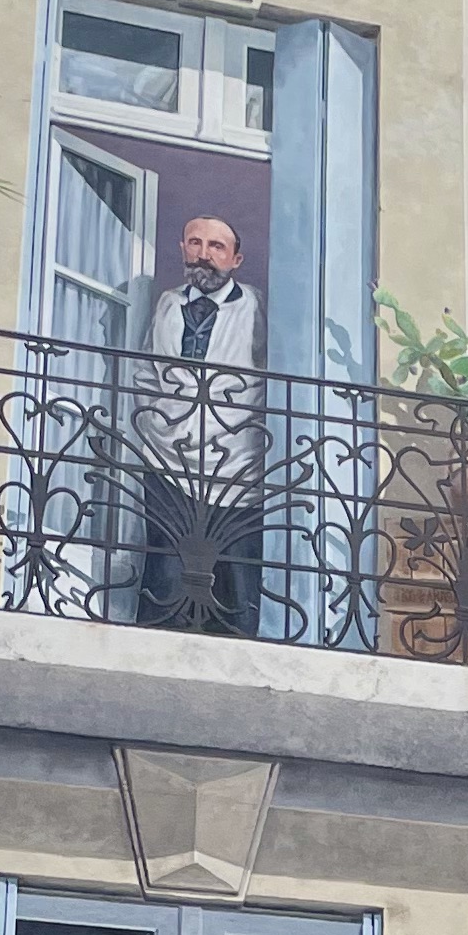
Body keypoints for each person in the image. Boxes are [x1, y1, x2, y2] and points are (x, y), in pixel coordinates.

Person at [132, 212, 269, 632]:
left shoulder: (255, 306)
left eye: (216, 247)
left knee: (234, 570)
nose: (203, 255)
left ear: (236, 259)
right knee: (167, 563)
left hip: (236, 460)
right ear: (182, 248)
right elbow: (145, 369)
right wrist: (157, 418)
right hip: (167, 454)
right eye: (195, 243)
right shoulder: (169, 303)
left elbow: (268, 375)